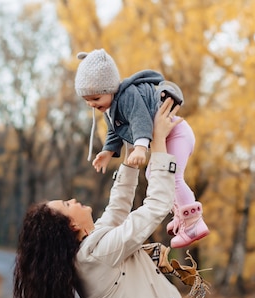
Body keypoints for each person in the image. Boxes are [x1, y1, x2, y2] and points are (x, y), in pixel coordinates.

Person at [13, 98, 204, 298]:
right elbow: (155, 206)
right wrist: (157, 143)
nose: (73, 199)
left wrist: (133, 154)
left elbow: (117, 209)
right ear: (71, 225)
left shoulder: (91, 247)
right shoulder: (95, 256)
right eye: (66, 203)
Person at [74, 48, 209, 248]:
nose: (92, 105)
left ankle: (193, 223)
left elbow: (140, 120)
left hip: (177, 133)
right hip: (168, 137)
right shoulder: (110, 108)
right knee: (153, 174)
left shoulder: (128, 96)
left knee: (173, 177)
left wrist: (139, 148)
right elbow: (115, 131)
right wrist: (108, 151)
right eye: (87, 101)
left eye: (95, 99)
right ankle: (182, 215)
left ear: (109, 88)